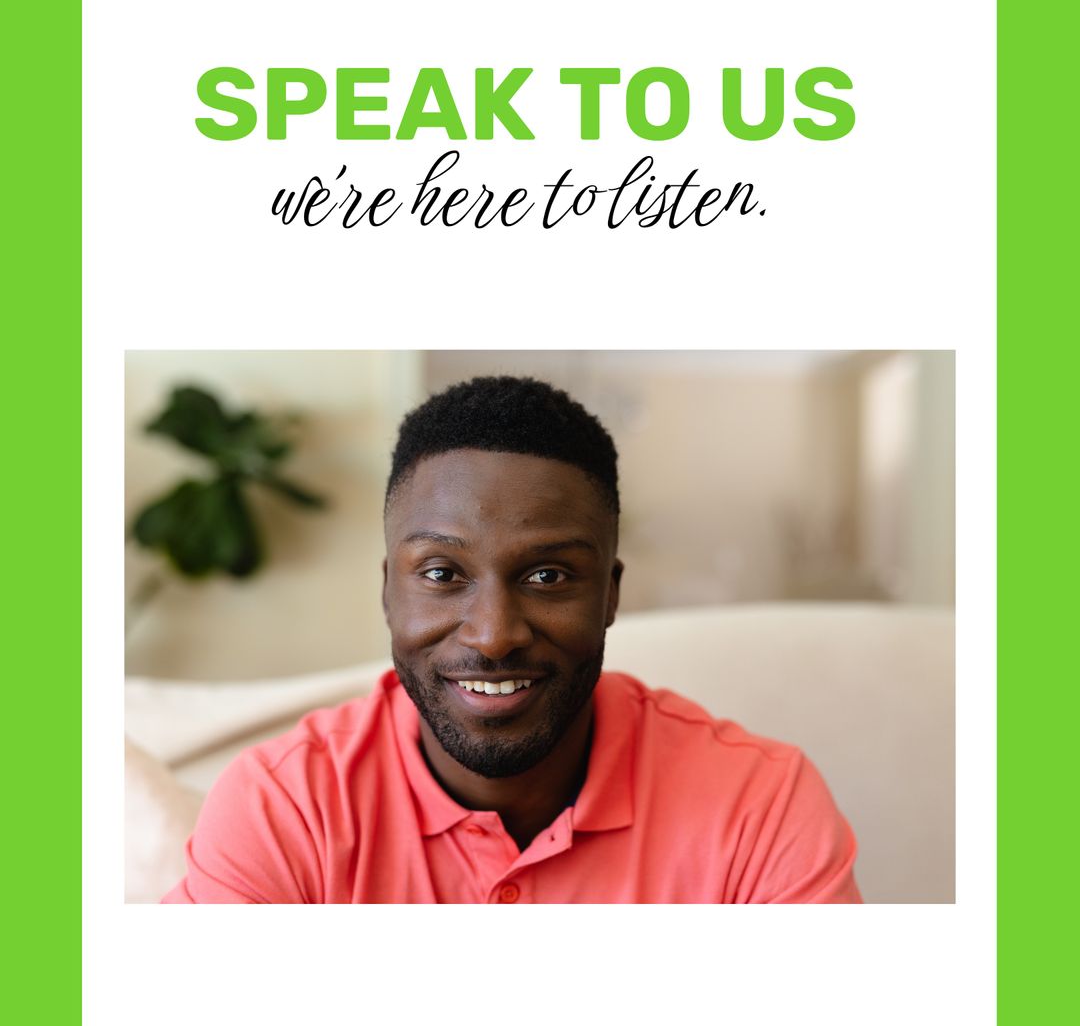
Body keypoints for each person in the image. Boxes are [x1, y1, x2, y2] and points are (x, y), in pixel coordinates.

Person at [163, 376, 861, 903]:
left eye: (549, 575)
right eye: (441, 573)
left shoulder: (758, 806)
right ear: (388, 590)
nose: (494, 635)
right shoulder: (286, 809)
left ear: (610, 593)